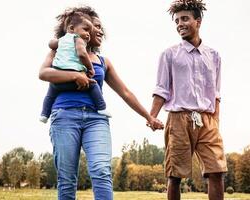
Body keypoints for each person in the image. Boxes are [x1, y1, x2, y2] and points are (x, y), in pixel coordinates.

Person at [39, 6, 164, 200]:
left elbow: (125, 92)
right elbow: (44, 73)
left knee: (101, 171)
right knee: (67, 178)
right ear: (78, 27)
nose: (99, 31)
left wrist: (149, 117)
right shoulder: (58, 51)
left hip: (96, 119)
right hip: (64, 116)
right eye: (94, 26)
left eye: (99, 27)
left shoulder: (103, 61)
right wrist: (74, 75)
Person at [149, 0, 227, 200]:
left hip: (207, 120)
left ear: (198, 22)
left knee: (217, 171)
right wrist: (152, 116)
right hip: (178, 119)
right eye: (176, 21)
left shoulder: (214, 56)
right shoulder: (169, 54)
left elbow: (216, 94)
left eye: (185, 19)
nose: (179, 24)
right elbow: (161, 90)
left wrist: (215, 122)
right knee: (175, 175)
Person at [40, 10, 110, 123]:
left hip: (59, 84)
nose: (88, 33)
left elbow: (51, 44)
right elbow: (82, 54)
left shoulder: (61, 43)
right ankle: (102, 108)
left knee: (50, 93)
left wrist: (55, 43)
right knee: (93, 85)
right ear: (72, 28)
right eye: (87, 29)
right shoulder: (78, 40)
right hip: (64, 111)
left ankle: (44, 114)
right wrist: (89, 69)